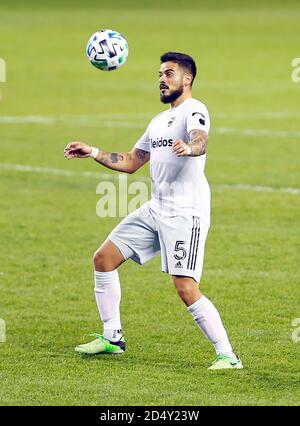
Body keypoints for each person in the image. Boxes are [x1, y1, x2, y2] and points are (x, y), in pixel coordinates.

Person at [64, 52, 243, 370]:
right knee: (103, 258)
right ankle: (113, 338)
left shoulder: (194, 109)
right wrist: (92, 151)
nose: (162, 79)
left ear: (186, 79)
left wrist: (190, 148)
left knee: (185, 287)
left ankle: (227, 355)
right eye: (160, 73)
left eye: (169, 73)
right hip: (156, 208)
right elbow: (132, 161)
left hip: (185, 213)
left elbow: (200, 140)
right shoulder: (158, 122)